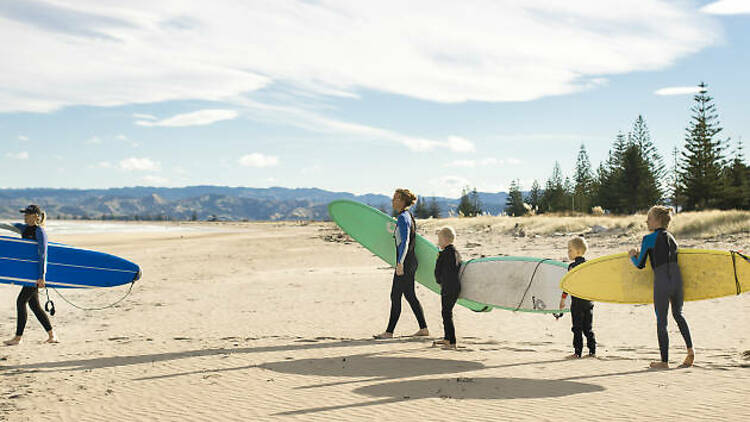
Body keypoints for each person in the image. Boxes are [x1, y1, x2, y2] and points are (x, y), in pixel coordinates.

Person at [629, 205, 693, 369]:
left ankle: (664, 361)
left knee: (661, 321)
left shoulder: (648, 239)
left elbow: (640, 264)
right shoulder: (672, 238)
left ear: (657, 220)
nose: (646, 221)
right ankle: (690, 350)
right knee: (678, 314)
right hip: (677, 279)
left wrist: (632, 256)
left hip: (662, 281)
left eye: (649, 218)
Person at [374, 189, 429, 339]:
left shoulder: (403, 217)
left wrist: (400, 263)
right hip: (409, 262)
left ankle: (389, 332)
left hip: (406, 262)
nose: (393, 201)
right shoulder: (407, 216)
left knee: (396, 295)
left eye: (395, 198)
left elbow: (405, 242)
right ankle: (423, 328)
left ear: (402, 201)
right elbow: (403, 237)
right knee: (410, 296)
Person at [1, 205, 58, 346]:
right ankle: (52, 335)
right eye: (24, 214)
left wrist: (41, 276)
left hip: (35, 274)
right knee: (34, 305)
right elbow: (7, 226)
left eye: (27, 214)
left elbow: (43, 255)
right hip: (28, 273)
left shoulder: (40, 232)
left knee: (21, 302)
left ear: (36, 216)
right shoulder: (24, 228)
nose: (25, 216)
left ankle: (18, 338)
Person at [559, 236, 595, 358]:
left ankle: (577, 352)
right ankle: (592, 351)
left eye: (570, 250)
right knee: (588, 328)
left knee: (577, 328)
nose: (568, 252)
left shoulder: (572, 267)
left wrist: (563, 299)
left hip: (577, 303)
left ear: (578, 252)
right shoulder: (589, 265)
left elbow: (567, 285)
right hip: (589, 302)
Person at [433, 227, 461, 350]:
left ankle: (451, 341)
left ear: (445, 240)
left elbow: (438, 271)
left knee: (446, 313)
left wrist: (439, 281)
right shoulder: (456, 253)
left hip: (448, 287)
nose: (438, 242)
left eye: (439, 239)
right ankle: (447, 338)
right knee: (446, 312)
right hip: (455, 287)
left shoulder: (444, 254)